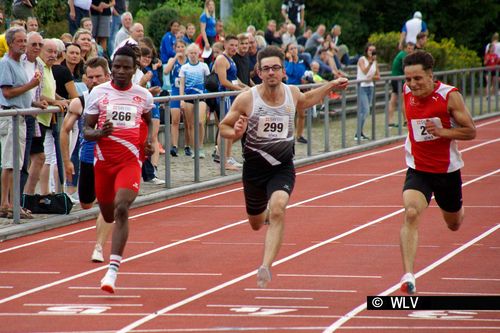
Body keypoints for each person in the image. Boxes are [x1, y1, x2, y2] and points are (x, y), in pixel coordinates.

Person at [219, 46, 348, 288]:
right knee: (256, 223)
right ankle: (264, 214)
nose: (271, 73)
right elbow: (223, 126)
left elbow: (308, 99)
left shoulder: (292, 92)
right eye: (266, 69)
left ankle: (265, 266)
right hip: (254, 171)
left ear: (283, 71)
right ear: (258, 72)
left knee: (278, 208)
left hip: (282, 167)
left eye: (275, 68)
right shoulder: (247, 98)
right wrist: (235, 132)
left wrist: (331, 84)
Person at [399, 51, 476, 295]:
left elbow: (470, 131)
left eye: (418, 79)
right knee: (411, 213)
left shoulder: (450, 96)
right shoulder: (406, 92)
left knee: (453, 224)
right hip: (418, 168)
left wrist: (443, 132)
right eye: (409, 79)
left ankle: (459, 209)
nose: (412, 84)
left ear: (431, 76)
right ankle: (409, 275)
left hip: (446, 171)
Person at [83, 44, 154, 293]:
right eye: (117, 67)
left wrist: (149, 142)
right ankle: (110, 250)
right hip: (103, 163)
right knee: (108, 212)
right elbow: (86, 129)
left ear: (135, 70)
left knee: (122, 207)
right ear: (111, 69)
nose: (121, 71)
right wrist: (99, 133)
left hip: (129, 161)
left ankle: (112, 271)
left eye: (126, 67)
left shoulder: (143, 95)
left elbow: (148, 119)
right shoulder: (98, 93)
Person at [0, 27, 42, 219]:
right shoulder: (5, 63)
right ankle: (5, 205)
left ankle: (12, 204)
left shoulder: (18, 64)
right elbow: (8, 93)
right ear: (10, 43)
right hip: (11, 116)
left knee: (17, 162)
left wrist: (35, 102)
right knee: (10, 162)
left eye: (25, 40)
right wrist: (31, 85)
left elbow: (21, 93)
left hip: (21, 115)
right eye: (20, 41)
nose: (24, 44)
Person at [179, 43, 210, 158]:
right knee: (190, 125)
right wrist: (181, 100)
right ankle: (194, 148)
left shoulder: (204, 66)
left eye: (195, 53)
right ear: (187, 54)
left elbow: (208, 82)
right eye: (191, 53)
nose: (193, 55)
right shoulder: (184, 68)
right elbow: (182, 85)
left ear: (199, 53)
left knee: (200, 122)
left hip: (201, 97)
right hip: (188, 98)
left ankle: (200, 147)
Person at [163, 39, 188, 157]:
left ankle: (188, 146)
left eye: (182, 47)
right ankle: (174, 146)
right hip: (175, 91)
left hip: (187, 91)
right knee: (175, 120)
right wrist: (174, 58)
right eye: (178, 47)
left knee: (188, 121)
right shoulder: (172, 60)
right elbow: (166, 71)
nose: (180, 49)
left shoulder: (189, 61)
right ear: (175, 49)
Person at [355, 43, 380, 141]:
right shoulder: (362, 59)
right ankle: (358, 133)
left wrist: (372, 77)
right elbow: (364, 71)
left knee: (364, 111)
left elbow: (378, 76)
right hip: (361, 86)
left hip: (370, 86)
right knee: (365, 110)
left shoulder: (375, 62)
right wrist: (370, 63)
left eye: (373, 50)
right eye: (370, 50)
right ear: (366, 51)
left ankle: (359, 132)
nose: (372, 52)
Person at [388, 42, 415, 128]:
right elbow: (408, 67)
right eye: (409, 48)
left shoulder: (402, 54)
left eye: (412, 48)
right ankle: (406, 120)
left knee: (393, 100)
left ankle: (390, 121)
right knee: (404, 100)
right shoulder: (404, 55)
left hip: (394, 78)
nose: (410, 50)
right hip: (398, 80)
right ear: (406, 48)